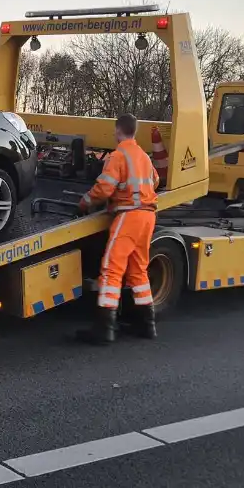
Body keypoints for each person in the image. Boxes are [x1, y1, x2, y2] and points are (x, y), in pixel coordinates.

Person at [74, 113, 159, 345]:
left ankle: (105, 329)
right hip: (148, 216)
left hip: (129, 215)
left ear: (118, 130)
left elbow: (104, 188)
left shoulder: (118, 155)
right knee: (138, 271)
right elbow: (155, 181)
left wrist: (85, 201)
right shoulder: (143, 156)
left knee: (111, 269)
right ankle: (147, 325)